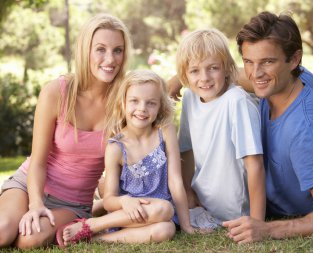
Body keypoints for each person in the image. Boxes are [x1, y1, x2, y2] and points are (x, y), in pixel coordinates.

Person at [222, 11, 313, 243]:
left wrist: (268, 230)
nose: (256, 74)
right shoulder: (291, 78)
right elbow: (239, 76)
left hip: (292, 204)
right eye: (248, 61)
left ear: (294, 59)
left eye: (267, 61)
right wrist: (180, 78)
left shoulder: (307, 129)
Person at [0, 14, 132, 249]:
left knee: (29, 240)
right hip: (29, 186)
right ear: (85, 51)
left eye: (118, 50)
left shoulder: (125, 100)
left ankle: (88, 209)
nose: (110, 59)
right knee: (2, 232)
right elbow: (38, 161)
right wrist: (35, 204)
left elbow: (157, 97)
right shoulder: (56, 92)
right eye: (100, 49)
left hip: (73, 203)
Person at [56, 69, 196, 247]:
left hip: (160, 214)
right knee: (164, 209)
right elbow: (109, 199)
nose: (142, 108)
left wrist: (186, 225)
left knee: (166, 230)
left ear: (160, 105)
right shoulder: (116, 147)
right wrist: (125, 201)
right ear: (123, 102)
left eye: (151, 103)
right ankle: (94, 224)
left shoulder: (164, 130)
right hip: (126, 214)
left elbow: (175, 181)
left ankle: (96, 239)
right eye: (134, 101)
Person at [176, 28, 266, 229]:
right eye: (194, 71)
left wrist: (258, 222)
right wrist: (187, 191)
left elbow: (255, 164)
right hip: (203, 206)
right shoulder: (190, 98)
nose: (204, 78)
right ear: (185, 74)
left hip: (235, 212)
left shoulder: (237, 102)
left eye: (213, 68)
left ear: (227, 68)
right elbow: (186, 148)